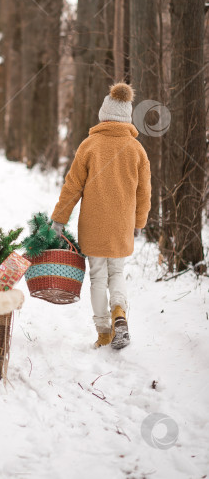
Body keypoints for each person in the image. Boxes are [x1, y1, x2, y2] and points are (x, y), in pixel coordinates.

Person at [51, 82, 151, 349]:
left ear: (103, 114)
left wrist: (59, 218)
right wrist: (139, 222)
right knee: (116, 272)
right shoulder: (137, 150)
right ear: (127, 117)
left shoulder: (90, 145)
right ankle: (120, 313)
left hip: (93, 225)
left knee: (97, 276)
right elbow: (144, 192)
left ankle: (104, 332)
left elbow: (72, 185)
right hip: (122, 225)